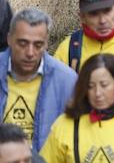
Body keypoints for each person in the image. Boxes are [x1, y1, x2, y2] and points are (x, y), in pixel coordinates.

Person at [0, 9, 77, 152]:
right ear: (9, 39)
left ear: (47, 43)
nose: (30, 53)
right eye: (23, 43)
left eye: (38, 45)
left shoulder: (67, 81)